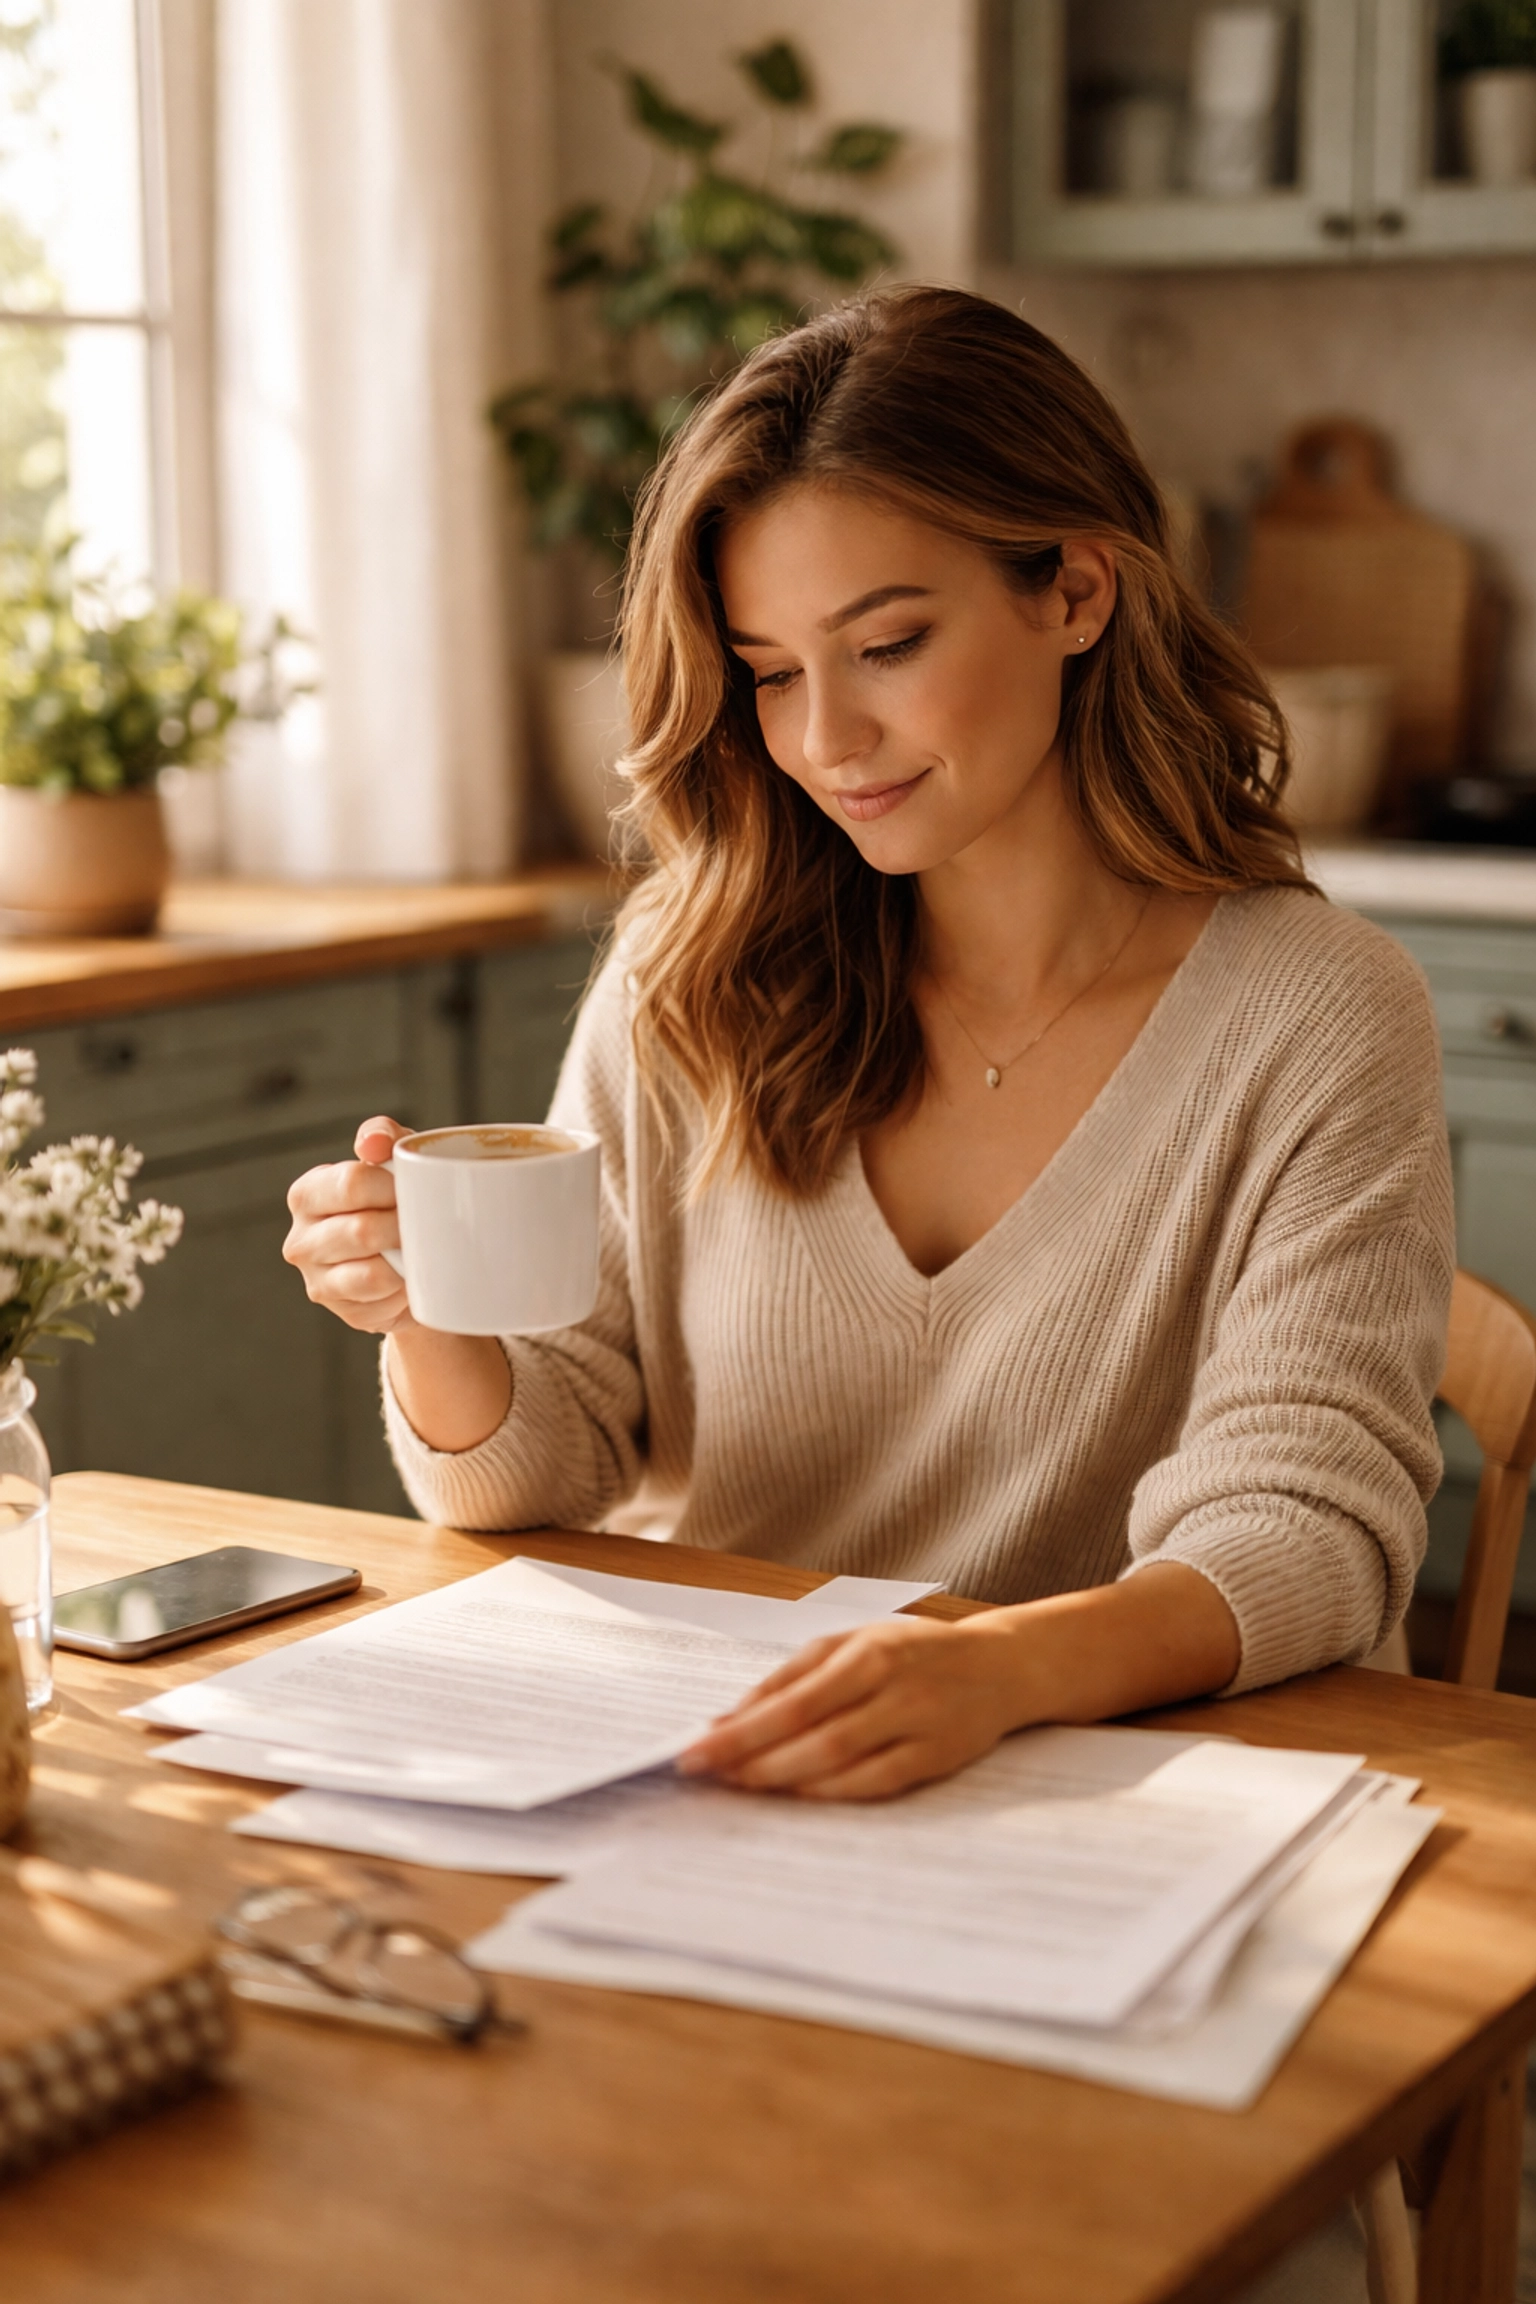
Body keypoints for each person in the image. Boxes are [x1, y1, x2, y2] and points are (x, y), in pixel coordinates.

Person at [284, 284, 1452, 1808]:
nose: (824, 739)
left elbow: (1309, 1531)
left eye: (887, 643)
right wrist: (423, 1312)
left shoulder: (1317, 1015)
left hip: (1111, 1805)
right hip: (700, 1783)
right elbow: (545, 1469)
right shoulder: (689, 972)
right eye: (769, 672)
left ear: (1079, 593)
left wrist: (997, 1670)